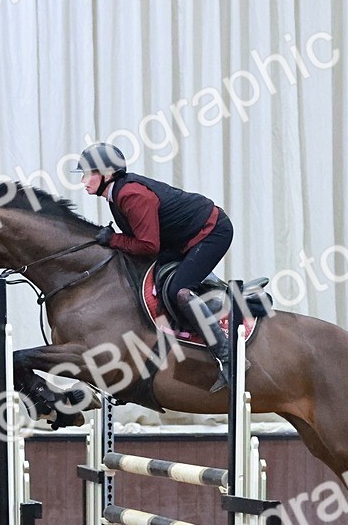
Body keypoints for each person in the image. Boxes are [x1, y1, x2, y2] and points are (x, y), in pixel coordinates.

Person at [76, 142, 235, 390]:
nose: (83, 180)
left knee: (178, 292)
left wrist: (113, 239)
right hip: (183, 238)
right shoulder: (115, 195)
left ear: (106, 174)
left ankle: (229, 359)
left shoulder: (130, 195)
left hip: (212, 232)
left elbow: (148, 246)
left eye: (88, 173)